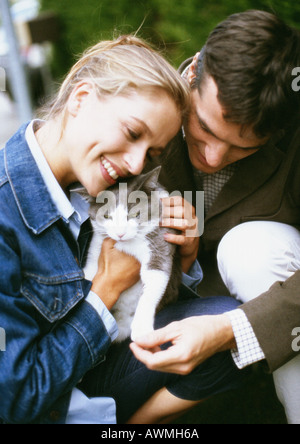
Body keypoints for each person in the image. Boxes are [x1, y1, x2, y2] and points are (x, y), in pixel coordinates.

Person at [0, 35, 247, 424]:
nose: (135, 164)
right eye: (133, 133)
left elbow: (143, 295)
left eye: (152, 153)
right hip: (47, 401)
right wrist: (106, 289)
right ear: (80, 99)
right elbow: (13, 399)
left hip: (99, 370)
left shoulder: (111, 182)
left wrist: (182, 256)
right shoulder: (5, 214)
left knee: (230, 326)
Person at [131, 11, 300, 424]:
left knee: (252, 250)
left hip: (274, 318)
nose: (212, 158)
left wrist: (233, 330)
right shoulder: (136, 116)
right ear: (191, 74)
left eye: (243, 149)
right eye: (204, 129)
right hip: (157, 332)